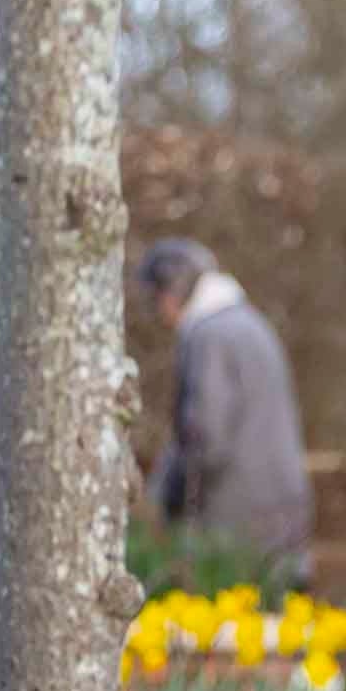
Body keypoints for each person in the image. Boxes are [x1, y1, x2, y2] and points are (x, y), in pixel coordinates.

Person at [133, 238, 316, 590]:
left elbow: (205, 437)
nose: (159, 312)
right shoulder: (249, 323)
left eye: (157, 298)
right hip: (284, 515)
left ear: (173, 292)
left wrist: (168, 501)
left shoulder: (208, 337)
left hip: (235, 524)